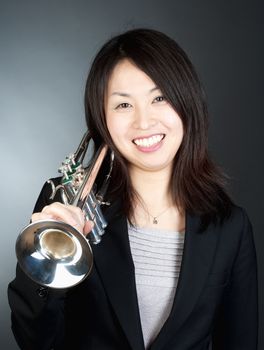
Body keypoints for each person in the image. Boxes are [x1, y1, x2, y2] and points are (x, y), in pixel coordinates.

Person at [8, 28, 258, 350]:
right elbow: (35, 341)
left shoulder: (230, 227)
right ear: (103, 118)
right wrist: (43, 268)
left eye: (159, 98)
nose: (144, 122)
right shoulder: (65, 202)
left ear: (187, 104)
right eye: (123, 105)